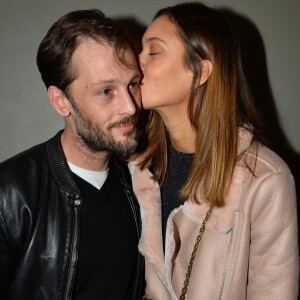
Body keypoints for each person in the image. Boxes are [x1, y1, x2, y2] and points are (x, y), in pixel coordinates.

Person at [130, 2, 299, 299]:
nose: (135, 60)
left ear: (200, 71)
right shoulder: (135, 167)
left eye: (153, 52)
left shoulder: (265, 180)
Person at [0, 9, 144, 299]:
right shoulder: (10, 194)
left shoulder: (142, 186)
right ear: (61, 101)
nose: (130, 107)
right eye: (106, 91)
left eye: (133, 84)